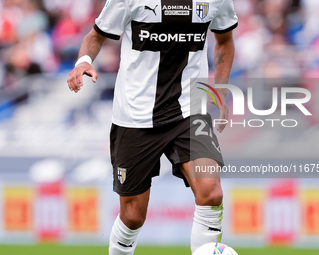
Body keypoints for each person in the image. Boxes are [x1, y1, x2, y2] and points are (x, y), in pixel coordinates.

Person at [67, 0, 238, 254]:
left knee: (211, 193)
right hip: (135, 117)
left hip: (189, 111)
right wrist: (83, 61)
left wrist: (220, 89)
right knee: (133, 215)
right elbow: (96, 36)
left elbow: (224, 41)